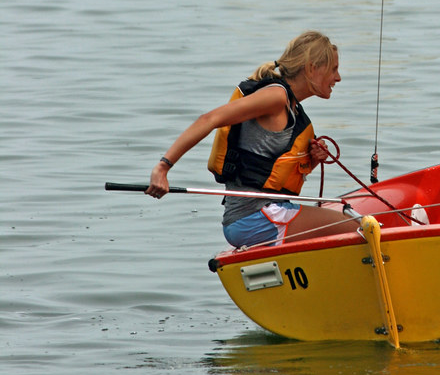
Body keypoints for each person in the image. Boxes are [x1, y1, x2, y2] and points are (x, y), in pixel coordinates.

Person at [145, 31, 359, 249]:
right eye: (334, 69)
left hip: (260, 214)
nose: (338, 77)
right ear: (312, 68)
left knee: (351, 224)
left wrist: (312, 158)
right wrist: (163, 167)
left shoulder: (293, 108)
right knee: (361, 228)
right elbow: (209, 119)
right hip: (256, 217)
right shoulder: (276, 97)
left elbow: (272, 166)